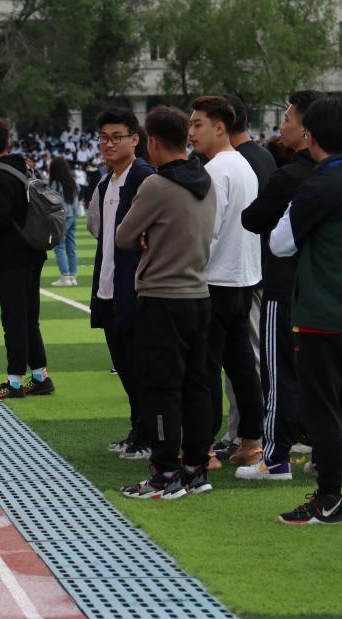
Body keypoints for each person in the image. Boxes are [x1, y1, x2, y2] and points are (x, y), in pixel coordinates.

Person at [115, 106, 216, 499]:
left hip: (162, 296)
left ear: (152, 143)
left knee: (161, 388)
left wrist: (148, 234)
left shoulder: (157, 185)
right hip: (199, 294)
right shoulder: (206, 179)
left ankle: (165, 474)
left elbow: (124, 236)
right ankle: (195, 468)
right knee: (196, 385)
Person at [268, 95, 342, 524]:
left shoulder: (320, 183)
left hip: (324, 313)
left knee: (323, 411)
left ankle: (329, 497)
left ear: (311, 137)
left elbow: (280, 243)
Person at [238, 90, 325, 481]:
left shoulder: (291, 176)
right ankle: (324, 454)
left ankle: (275, 458)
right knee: (325, 377)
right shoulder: (333, 177)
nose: (282, 126)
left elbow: (254, 219)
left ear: (307, 130)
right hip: (327, 289)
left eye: (287, 119)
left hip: (286, 284)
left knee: (279, 374)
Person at [189, 96, 264, 469]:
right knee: (241, 365)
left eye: (197, 124)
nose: (191, 132)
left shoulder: (216, 170)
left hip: (216, 280)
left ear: (220, 127)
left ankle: (202, 448)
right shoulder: (243, 165)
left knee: (204, 368)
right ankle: (251, 442)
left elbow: (209, 232)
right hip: (243, 277)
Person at [90, 108, 156, 459]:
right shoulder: (107, 181)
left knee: (140, 368)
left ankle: (148, 436)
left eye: (116, 137)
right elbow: (98, 231)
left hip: (134, 289)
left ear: (135, 139)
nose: (109, 144)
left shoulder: (143, 177)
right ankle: (137, 430)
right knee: (126, 368)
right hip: (108, 285)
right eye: (104, 137)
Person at [0, 118, 54, 400]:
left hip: (12, 254)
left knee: (14, 318)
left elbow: (0, 218)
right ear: (7, 141)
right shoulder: (24, 166)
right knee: (29, 316)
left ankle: (15, 382)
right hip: (33, 248)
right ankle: (40, 376)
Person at [48, 156, 79, 287]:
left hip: (61, 217)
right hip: (72, 216)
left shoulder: (56, 183)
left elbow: (52, 202)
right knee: (71, 247)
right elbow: (76, 201)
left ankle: (65, 277)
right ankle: (72, 277)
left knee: (59, 247)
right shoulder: (72, 182)